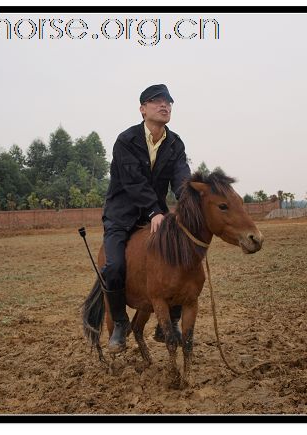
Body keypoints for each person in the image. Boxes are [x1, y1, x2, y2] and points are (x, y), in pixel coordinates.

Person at [101, 84, 191, 354]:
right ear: (143, 109)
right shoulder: (126, 141)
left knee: (180, 259)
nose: (165, 106)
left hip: (157, 214)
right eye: (156, 101)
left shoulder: (175, 143)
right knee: (114, 266)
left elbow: (181, 178)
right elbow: (133, 182)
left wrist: (190, 202)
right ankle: (119, 323)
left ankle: (170, 322)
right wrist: (154, 211)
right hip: (122, 215)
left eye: (169, 103)